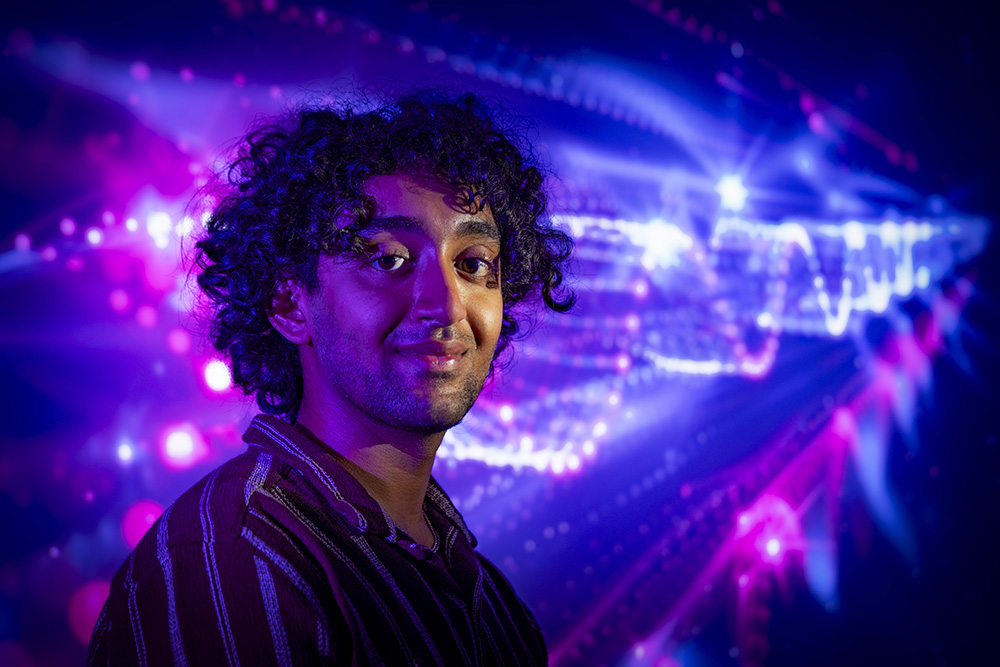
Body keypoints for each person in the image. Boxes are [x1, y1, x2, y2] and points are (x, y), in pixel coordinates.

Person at [87, 90, 574, 665]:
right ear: (289, 303)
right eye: (388, 259)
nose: (445, 306)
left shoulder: (486, 594)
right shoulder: (235, 557)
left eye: (473, 264)